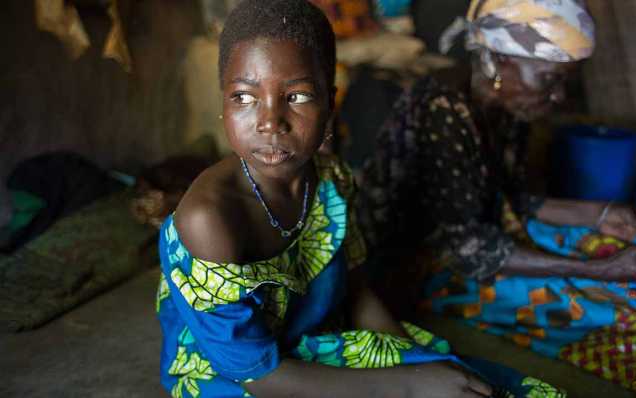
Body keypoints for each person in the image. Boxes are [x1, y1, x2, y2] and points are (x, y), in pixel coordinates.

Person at [155, 1, 566, 397]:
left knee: (471, 383)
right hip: (243, 376)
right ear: (223, 103)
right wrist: (408, 385)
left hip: (312, 339)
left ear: (330, 103)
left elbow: (355, 287)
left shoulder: (330, 179)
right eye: (243, 97)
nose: (269, 122)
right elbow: (259, 376)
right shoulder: (211, 219)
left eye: (296, 96)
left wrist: (413, 360)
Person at [357, 0, 636, 392]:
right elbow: (468, 250)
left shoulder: (505, 102)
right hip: (421, 265)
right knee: (588, 290)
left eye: (562, 81)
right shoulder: (443, 107)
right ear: (499, 61)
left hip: (481, 234)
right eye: (548, 79)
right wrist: (597, 271)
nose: (557, 96)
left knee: (621, 243)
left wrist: (598, 213)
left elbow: (507, 199)